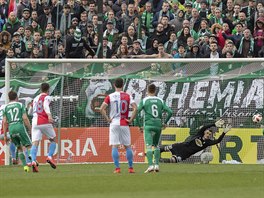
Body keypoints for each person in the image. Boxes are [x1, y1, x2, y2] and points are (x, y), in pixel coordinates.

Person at [100, 78, 137, 174]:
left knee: (114, 146)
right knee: (128, 146)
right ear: (123, 85)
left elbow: (101, 109)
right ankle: (131, 168)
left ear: (114, 85)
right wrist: (131, 119)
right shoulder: (128, 96)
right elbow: (135, 108)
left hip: (114, 123)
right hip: (125, 123)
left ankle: (117, 168)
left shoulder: (110, 96)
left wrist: (107, 118)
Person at [158, 119, 231, 163]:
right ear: (205, 132)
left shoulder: (207, 143)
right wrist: (214, 124)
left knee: (173, 160)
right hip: (181, 146)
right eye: (207, 133)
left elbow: (218, 141)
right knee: (164, 148)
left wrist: (224, 132)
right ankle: (153, 154)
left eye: (209, 134)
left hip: (185, 154)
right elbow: (205, 127)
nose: (208, 135)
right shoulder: (199, 134)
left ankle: (161, 161)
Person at [137, 84, 172, 173]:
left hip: (148, 126)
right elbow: (170, 112)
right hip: (158, 125)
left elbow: (136, 112)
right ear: (155, 91)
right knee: (156, 145)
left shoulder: (144, 100)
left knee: (149, 146)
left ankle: (150, 166)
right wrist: (165, 123)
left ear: (147, 91)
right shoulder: (160, 100)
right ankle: (156, 165)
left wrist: (139, 125)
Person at [29, 83, 56, 172]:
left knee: (35, 143)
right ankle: (49, 156)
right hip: (44, 121)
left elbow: (30, 111)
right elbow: (45, 105)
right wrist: (49, 115)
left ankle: (33, 161)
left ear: (40, 89)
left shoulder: (35, 98)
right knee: (52, 140)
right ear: (48, 89)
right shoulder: (47, 97)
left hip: (35, 122)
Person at [2, 91, 32, 172]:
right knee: (28, 146)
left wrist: (5, 135)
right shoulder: (20, 105)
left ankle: (25, 167)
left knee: (19, 148)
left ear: (9, 98)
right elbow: (25, 118)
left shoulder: (5, 107)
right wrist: (30, 128)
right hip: (19, 126)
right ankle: (30, 157)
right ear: (17, 97)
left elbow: (4, 122)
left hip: (11, 128)